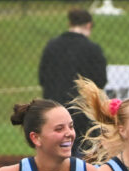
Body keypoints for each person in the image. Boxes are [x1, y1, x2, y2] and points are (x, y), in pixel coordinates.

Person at [38, 8, 108, 156]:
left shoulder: (52, 47)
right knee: (82, 154)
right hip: (82, 112)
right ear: (88, 26)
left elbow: (42, 78)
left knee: (54, 152)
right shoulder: (92, 49)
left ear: (70, 23)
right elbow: (100, 81)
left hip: (54, 108)